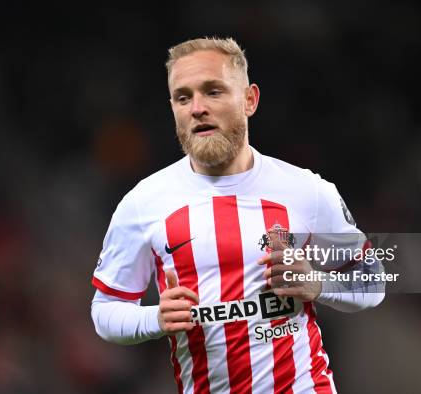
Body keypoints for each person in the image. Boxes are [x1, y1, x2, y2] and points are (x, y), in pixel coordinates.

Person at [90, 37, 385, 394]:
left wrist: (318, 285)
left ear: (250, 100)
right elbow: (106, 311)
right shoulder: (143, 204)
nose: (197, 107)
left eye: (213, 91)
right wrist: (154, 318)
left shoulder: (308, 191)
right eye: (184, 97)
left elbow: (373, 279)